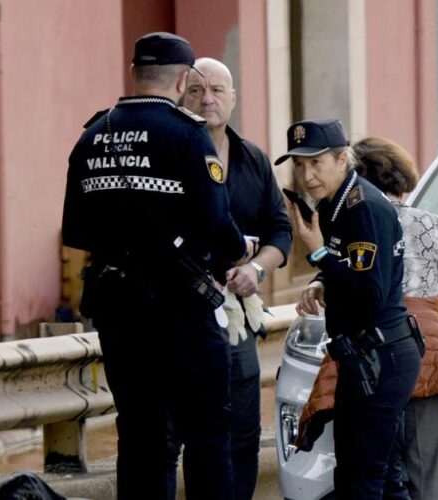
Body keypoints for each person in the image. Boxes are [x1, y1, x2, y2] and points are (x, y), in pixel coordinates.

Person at [62, 32, 248, 499]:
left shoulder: (91, 136)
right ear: (185, 79)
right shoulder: (187, 135)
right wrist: (234, 251)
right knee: (206, 434)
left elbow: (76, 233)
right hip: (180, 308)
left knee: (141, 435)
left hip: (117, 311)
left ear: (133, 73)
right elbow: (216, 225)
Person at [278, 119, 421, 499]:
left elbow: (371, 293)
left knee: (362, 479)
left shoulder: (364, 207)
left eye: (316, 163)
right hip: (365, 355)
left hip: (381, 355)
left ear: (343, 160)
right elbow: (359, 272)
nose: (307, 176)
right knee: (383, 477)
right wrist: (322, 280)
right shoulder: (333, 204)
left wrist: (319, 253)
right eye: (299, 165)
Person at [176, 57, 292, 500]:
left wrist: (256, 267)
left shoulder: (253, 158)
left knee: (243, 429)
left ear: (233, 98)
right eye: (196, 91)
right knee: (194, 432)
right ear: (182, 96)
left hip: (240, 317)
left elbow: (280, 231)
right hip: (186, 314)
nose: (207, 99)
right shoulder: (173, 153)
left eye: (218, 90)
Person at [353, 136, 438, 499]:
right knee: (428, 476)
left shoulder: (352, 222)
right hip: (428, 355)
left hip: (368, 359)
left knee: (373, 473)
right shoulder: (428, 224)